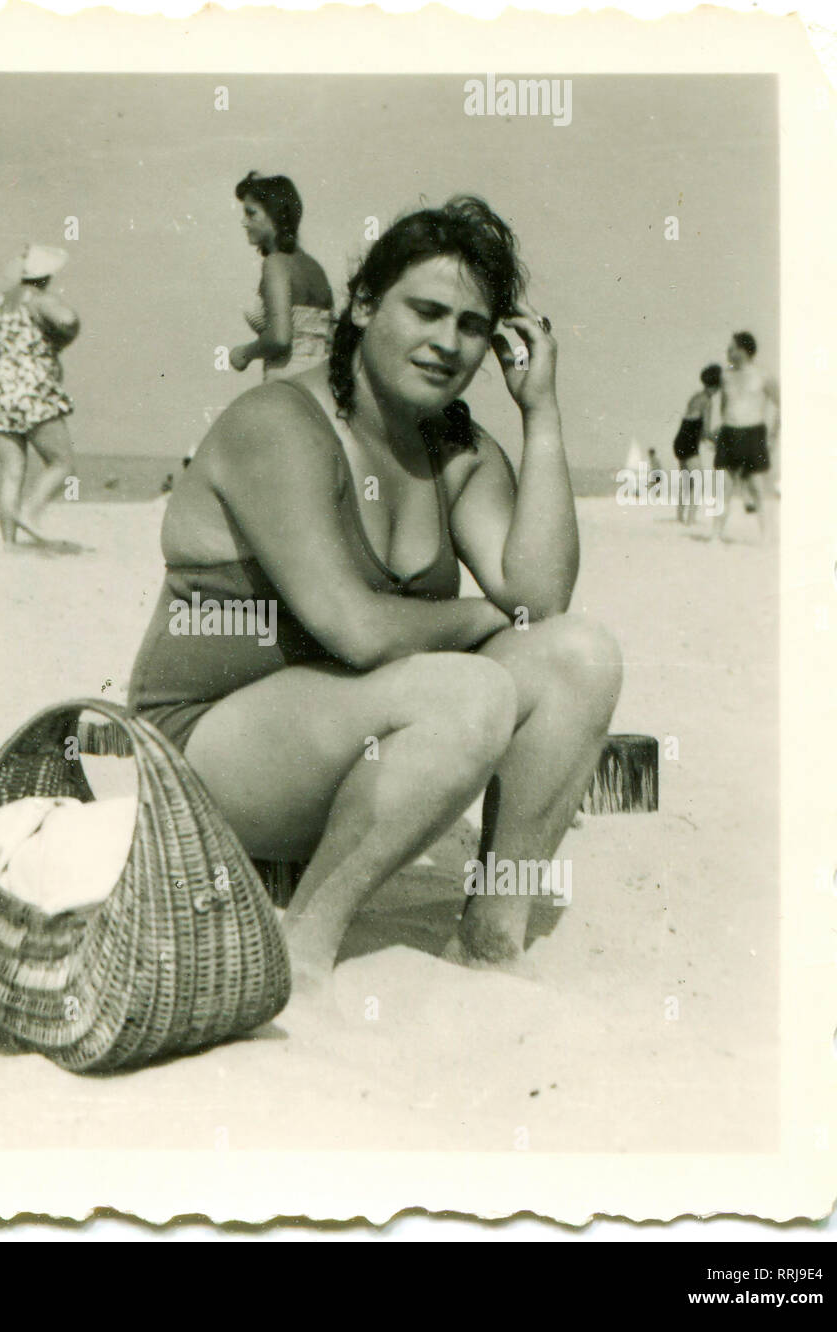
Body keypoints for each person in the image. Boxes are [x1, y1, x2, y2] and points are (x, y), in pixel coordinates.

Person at [128, 198, 622, 1013]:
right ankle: (303, 952)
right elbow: (353, 629)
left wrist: (541, 413)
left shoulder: (452, 448)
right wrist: (480, 622)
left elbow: (541, 601)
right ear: (364, 305)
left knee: (582, 655)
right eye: (424, 310)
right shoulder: (278, 422)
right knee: (472, 688)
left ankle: (493, 935)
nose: (446, 342)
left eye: (471, 325)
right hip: (207, 754)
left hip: (346, 746)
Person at [0, 244, 84, 554]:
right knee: (62, 462)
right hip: (34, 387)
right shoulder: (40, 300)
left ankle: (9, 545)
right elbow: (67, 320)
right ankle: (31, 511)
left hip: (2, 388)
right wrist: (61, 339)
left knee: (12, 471)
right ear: (47, 275)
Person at [229, 171, 335, 382]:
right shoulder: (314, 267)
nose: (244, 222)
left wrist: (244, 354)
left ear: (275, 215)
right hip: (321, 383)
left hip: (287, 382)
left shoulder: (275, 264)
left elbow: (279, 338)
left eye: (251, 214)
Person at [708, 331, 778, 541]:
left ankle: (766, 535)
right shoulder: (725, 376)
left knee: (756, 487)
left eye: (732, 348)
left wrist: (774, 435)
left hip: (753, 433)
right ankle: (715, 534)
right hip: (729, 433)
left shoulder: (763, 375)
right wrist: (718, 429)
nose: (728, 352)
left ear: (743, 350)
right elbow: (723, 405)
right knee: (724, 487)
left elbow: (783, 404)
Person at [670, 364, 720, 524]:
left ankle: (680, 516)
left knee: (686, 481)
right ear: (718, 386)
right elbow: (705, 432)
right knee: (698, 482)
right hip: (690, 443)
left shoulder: (695, 397)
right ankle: (690, 520)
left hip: (680, 440)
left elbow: (691, 422)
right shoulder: (707, 401)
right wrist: (718, 440)